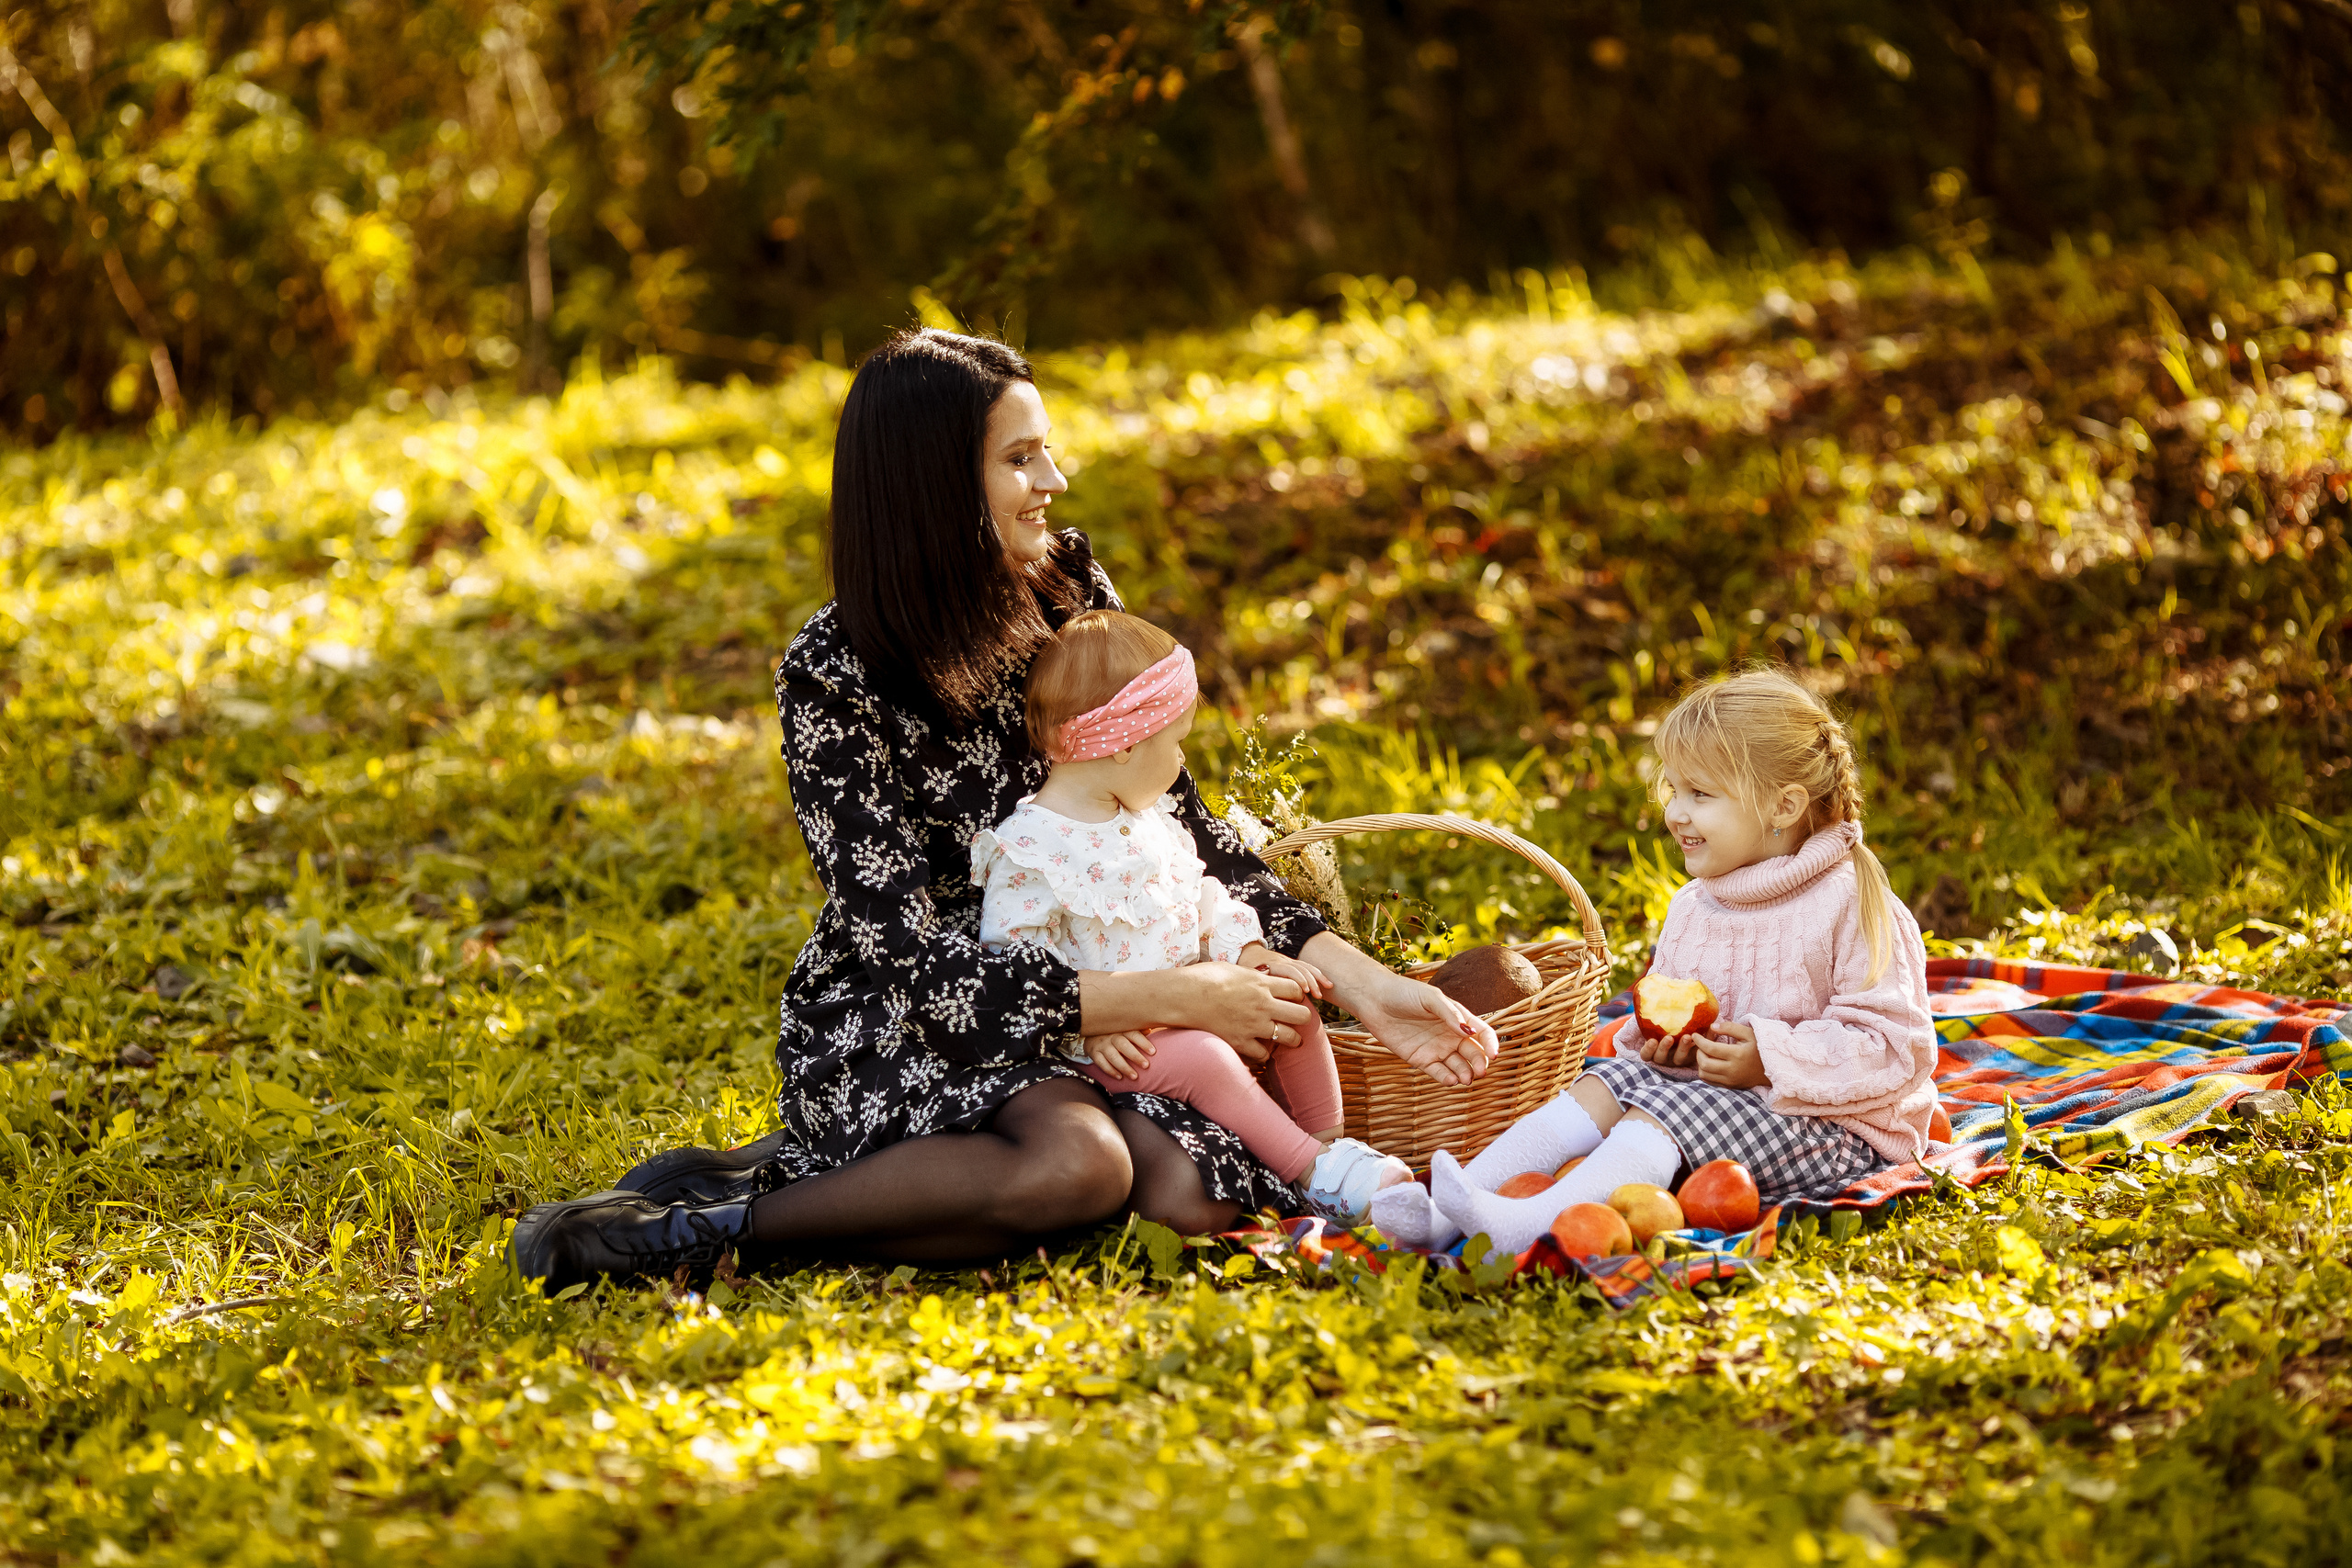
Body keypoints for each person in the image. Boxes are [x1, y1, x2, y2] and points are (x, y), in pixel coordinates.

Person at [510, 328, 1495, 1291]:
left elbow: (1181, 822)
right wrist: (1181, 997)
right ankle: (702, 1230)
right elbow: (905, 954)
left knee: (1190, 1199)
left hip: (1107, 994)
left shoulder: (1067, 590)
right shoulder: (834, 671)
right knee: (1080, 1168)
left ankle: (836, 1174)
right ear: (936, 483)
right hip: (922, 1013)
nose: (1053, 480)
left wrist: (1361, 982)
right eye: (1020, 459)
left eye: (1044, 451)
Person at [1372, 668, 1936, 1254]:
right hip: (1721, 1102)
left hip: (1840, 1130)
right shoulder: (1695, 905)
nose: (1675, 813)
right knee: (1606, 1083)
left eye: (1701, 794)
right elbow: (1665, 1027)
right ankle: (1446, 1209)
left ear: (1783, 806)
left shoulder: (1852, 903)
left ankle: (1531, 1224)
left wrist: (1769, 1060)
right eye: (1674, 790)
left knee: (1664, 1111)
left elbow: (1896, 1048)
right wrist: (1664, 1048)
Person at [973, 608, 1419, 1215]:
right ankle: (1311, 1169)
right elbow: (1015, 959)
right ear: (1125, 744)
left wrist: (1250, 952)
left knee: (1288, 1005)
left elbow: (1202, 895)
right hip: (1112, 1046)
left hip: (1190, 1005)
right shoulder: (1031, 847)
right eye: (1175, 742)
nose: (1181, 763)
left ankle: (1331, 1153)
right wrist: (1090, 1025)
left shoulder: (1147, 820)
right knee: (1205, 1060)